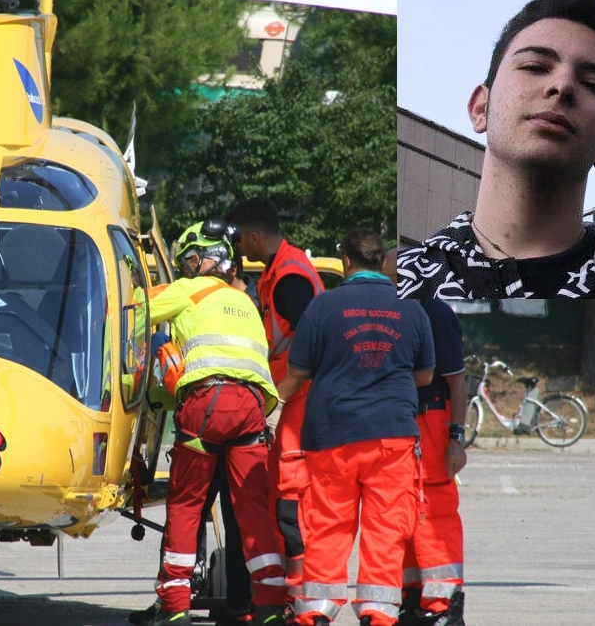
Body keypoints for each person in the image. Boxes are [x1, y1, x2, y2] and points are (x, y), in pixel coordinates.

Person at [396, 0, 595, 299]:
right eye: (534, 67)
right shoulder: (400, 282)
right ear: (480, 107)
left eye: (594, 84)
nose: (562, 85)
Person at [276, 229, 435, 626]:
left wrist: (272, 406)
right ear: (383, 261)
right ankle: (378, 614)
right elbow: (426, 374)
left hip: (332, 434)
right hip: (392, 435)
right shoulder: (413, 308)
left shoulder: (323, 306)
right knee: (385, 528)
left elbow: (297, 373)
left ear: (346, 261)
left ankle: (316, 610)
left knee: (327, 524)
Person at [144, 219, 289, 626]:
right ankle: (270, 607)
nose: (188, 269)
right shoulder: (245, 301)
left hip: (207, 403)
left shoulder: (190, 290)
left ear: (205, 260)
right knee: (252, 510)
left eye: (189, 261)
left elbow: (133, 308)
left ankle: (174, 607)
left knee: (187, 505)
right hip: (251, 409)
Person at [225, 197, 326, 613]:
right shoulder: (281, 272)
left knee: (291, 502)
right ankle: (285, 595)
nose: (238, 249)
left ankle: (297, 599)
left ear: (254, 236)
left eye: (240, 240)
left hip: (298, 403)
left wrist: (277, 399)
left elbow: (311, 343)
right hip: (295, 401)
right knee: (280, 500)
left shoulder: (288, 279)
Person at [384, 251, 468, 626]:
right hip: (402, 421)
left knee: (434, 513)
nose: (386, 286)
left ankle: (444, 605)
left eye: (390, 279)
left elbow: (457, 382)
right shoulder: (397, 313)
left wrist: (456, 437)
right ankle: (413, 600)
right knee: (404, 513)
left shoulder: (436, 314)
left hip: (431, 422)